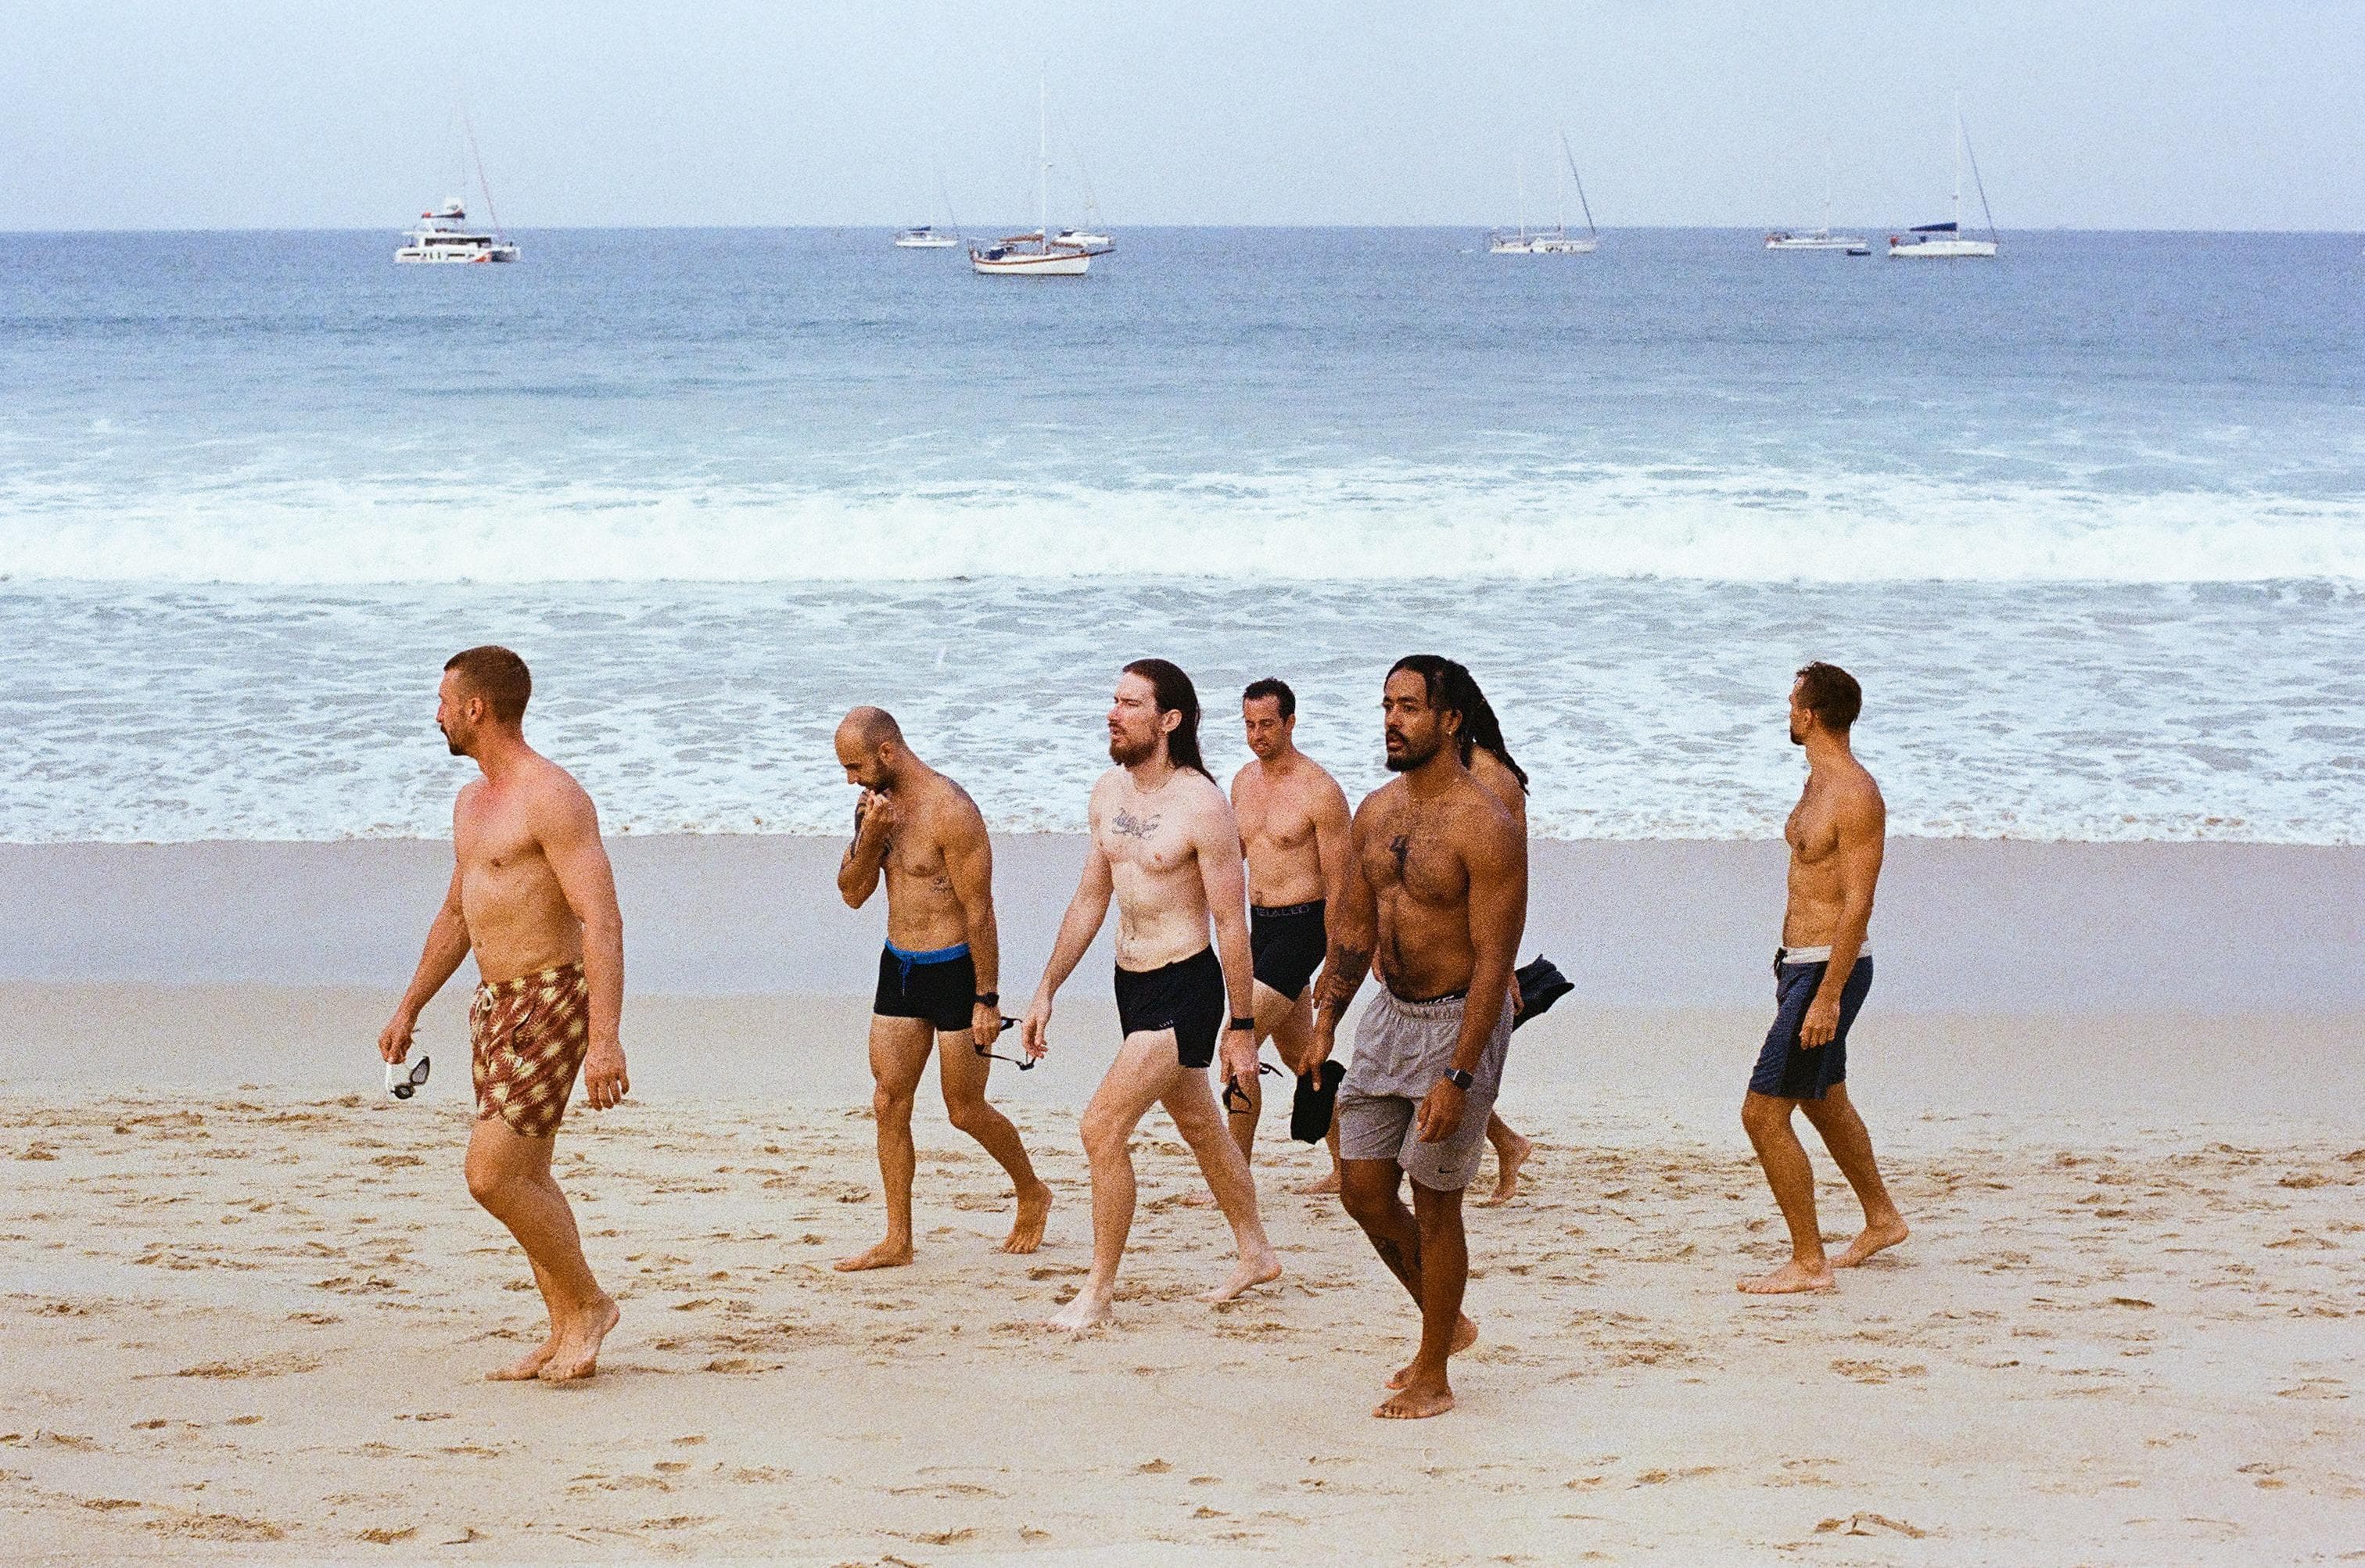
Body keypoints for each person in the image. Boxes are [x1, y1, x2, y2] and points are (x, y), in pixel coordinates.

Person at [378, 646, 627, 1383]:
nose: (437, 715)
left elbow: (602, 919)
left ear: (476, 707)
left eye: (444, 702)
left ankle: (590, 1305)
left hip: (551, 998)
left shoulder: (552, 796)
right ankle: (564, 1326)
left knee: (490, 1174)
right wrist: (410, 1004)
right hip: (494, 1005)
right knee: (529, 1175)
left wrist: (605, 1039)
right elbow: (458, 914)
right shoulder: (471, 803)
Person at [1021, 660, 1283, 1329]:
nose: (1113, 713)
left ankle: (1098, 1293)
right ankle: (1256, 1251)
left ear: (1169, 719)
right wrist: (1047, 987)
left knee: (1101, 1126)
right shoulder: (1108, 792)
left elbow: (1231, 922)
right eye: (1113, 700)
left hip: (1185, 986)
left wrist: (1242, 1027)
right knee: (1201, 1126)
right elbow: (1091, 897)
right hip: (1130, 981)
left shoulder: (1202, 804)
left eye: (1130, 704)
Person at [1310, 656, 1526, 1418]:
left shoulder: (1487, 825)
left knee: (1436, 1203)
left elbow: (1496, 961)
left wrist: (1459, 1076)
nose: (1392, 722)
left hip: (1459, 1020)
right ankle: (1448, 1320)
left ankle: (1434, 1371)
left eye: (1408, 707)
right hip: (1389, 1015)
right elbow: (1355, 926)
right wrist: (1327, 1020)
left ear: (1449, 720)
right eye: (1386, 707)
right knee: (1363, 1189)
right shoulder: (1375, 811)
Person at [832, 706, 1053, 1271]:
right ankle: (897, 1239)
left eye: (855, 767)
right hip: (900, 967)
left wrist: (987, 998)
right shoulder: (873, 807)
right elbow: (852, 893)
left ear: (886, 752)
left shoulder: (951, 810)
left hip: (956, 969)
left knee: (965, 1109)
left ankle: (1032, 1190)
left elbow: (980, 910)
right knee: (888, 1101)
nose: (851, 780)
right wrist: (870, 837)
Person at [1738, 662, 1910, 1295]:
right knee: (1822, 1096)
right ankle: (1883, 1218)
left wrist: (1828, 996)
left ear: (1810, 715)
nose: (1788, 712)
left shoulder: (1856, 794)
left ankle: (1809, 1262)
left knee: (1762, 1113)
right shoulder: (1816, 782)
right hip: (1800, 966)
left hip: (1829, 973)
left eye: (1793, 703)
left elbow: (1859, 903)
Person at [1220, 676, 1351, 1194]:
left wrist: (1335, 966)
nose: (1257, 735)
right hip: (1261, 928)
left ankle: (1235, 1178)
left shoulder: (1320, 790)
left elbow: (1341, 887)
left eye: (1267, 725)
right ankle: (1347, 1169)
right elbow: (1233, 859)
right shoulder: (1242, 782)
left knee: (1237, 1043)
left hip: (1304, 929)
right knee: (1301, 1058)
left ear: (1290, 723)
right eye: (1249, 725)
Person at [1454, 677, 1539, 1207]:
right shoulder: (1445, 770)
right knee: (1440, 1060)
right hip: (1444, 934)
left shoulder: (1491, 778)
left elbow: (1512, 880)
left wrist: (1503, 962)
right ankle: (1507, 1143)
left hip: (1477, 939)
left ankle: (1505, 1145)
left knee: (1455, 1062)